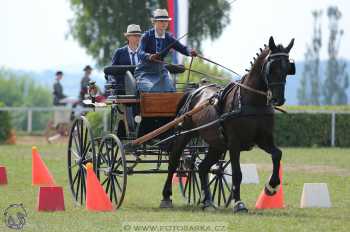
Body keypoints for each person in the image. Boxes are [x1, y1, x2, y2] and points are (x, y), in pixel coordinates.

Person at [135, 9, 197, 92]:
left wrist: (190, 52)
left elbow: (183, 48)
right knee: (154, 90)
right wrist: (149, 56)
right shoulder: (146, 36)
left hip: (160, 72)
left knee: (171, 90)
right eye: (161, 21)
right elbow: (139, 52)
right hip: (145, 73)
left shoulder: (169, 38)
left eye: (166, 21)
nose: (164, 23)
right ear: (154, 22)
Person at [110, 24, 142, 94]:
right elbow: (111, 72)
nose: (137, 37)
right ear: (128, 37)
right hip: (123, 91)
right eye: (135, 35)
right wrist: (113, 83)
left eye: (139, 35)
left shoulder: (144, 53)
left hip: (142, 90)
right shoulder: (119, 52)